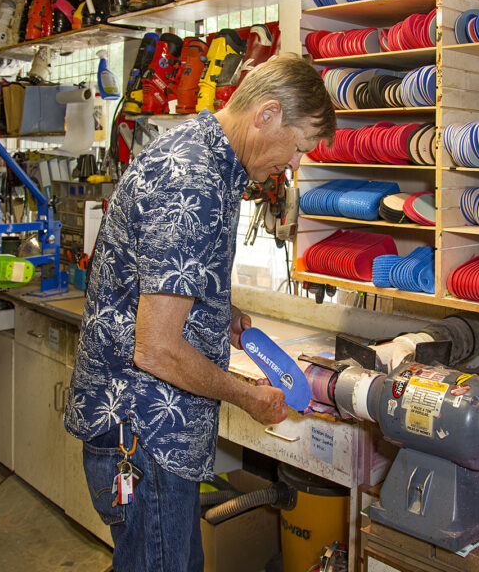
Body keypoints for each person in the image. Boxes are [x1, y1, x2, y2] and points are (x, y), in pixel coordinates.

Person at [64, 53, 336, 572]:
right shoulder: (195, 180)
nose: (296, 164)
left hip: (146, 432)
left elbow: (165, 268)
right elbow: (158, 350)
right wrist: (247, 397)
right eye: (298, 147)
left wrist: (215, 307)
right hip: (145, 438)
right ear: (268, 115)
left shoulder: (210, 154)